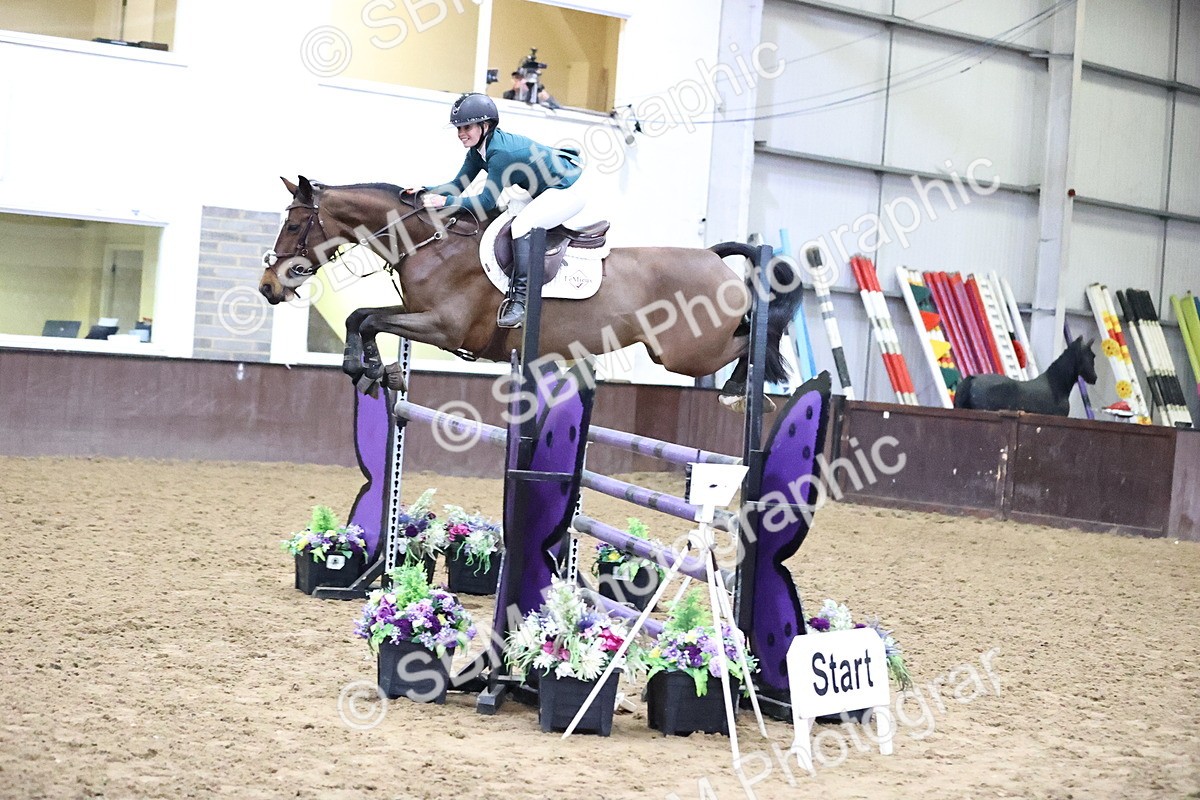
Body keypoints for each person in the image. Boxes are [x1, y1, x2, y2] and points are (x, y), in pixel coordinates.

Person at [418, 92, 584, 329]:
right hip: (543, 190)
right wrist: (424, 191)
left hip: (567, 190)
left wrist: (445, 202)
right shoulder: (477, 152)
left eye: (467, 127)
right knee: (508, 214)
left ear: (485, 126)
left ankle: (521, 302)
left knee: (522, 226)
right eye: (458, 128)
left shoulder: (500, 154)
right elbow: (457, 185)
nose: (461, 133)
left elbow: (486, 201)